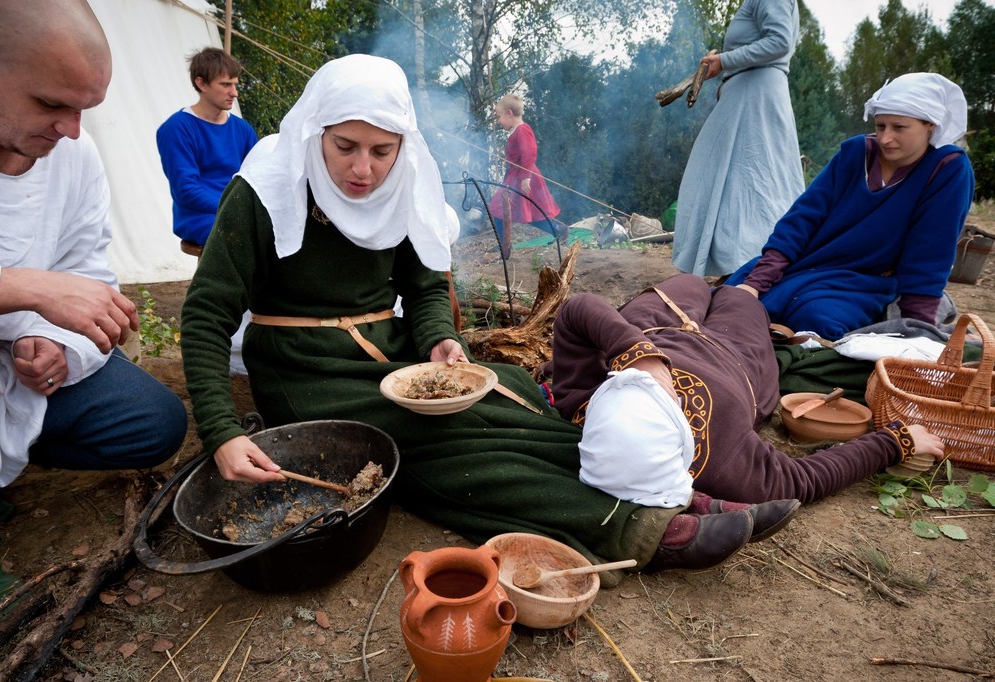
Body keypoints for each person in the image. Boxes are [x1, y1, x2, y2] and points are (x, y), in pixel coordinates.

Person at [181, 54, 797, 585]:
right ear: (317, 133)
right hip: (304, 368)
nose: (362, 169)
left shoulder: (402, 182)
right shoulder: (266, 188)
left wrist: (441, 339)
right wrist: (222, 431)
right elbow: (207, 314)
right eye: (344, 147)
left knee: (506, 394)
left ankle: (662, 486)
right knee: (434, 444)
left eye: (381, 151)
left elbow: (422, 286)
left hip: (388, 348)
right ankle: (641, 528)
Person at [0, 0, 188, 620]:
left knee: (153, 422)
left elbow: (86, 268)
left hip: (12, 357)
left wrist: (52, 343)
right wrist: (34, 292)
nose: (69, 129)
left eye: (82, 110)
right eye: (49, 104)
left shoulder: (74, 153)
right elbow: (51, 285)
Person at [551, 273, 946, 506]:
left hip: (656, 326)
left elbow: (577, 309)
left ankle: (716, 286)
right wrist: (897, 442)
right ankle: (738, 289)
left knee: (688, 281)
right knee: (741, 297)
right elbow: (805, 480)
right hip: (738, 356)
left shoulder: (582, 404)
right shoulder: (726, 467)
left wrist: (637, 353)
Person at [726, 72, 975, 340]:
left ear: (930, 125)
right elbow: (802, 218)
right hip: (802, 264)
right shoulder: (856, 153)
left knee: (816, 320)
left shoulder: (946, 169)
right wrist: (757, 282)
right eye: (880, 126)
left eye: (899, 127)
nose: (886, 138)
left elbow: (930, 251)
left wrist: (916, 330)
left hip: (863, 282)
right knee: (731, 303)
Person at [671, 0, 804, 277]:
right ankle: (741, 266)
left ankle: (756, 265)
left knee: (753, 182)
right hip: (749, 93)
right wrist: (725, 73)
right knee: (735, 182)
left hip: (756, 98)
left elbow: (780, 42)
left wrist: (726, 61)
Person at [156, 47, 259, 247]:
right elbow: (186, 190)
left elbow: (259, 178)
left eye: (235, 84)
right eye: (226, 85)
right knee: (244, 238)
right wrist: (234, 209)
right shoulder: (176, 129)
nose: (234, 93)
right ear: (201, 83)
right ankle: (213, 279)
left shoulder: (243, 130)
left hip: (239, 212)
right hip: (198, 217)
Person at [487, 94, 561, 246]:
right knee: (530, 212)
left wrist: (526, 177)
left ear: (509, 113)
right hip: (517, 176)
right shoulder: (517, 131)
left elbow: (530, 152)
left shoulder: (522, 129)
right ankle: (558, 229)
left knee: (498, 208)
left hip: (523, 176)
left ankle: (504, 245)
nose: (499, 121)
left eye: (499, 116)